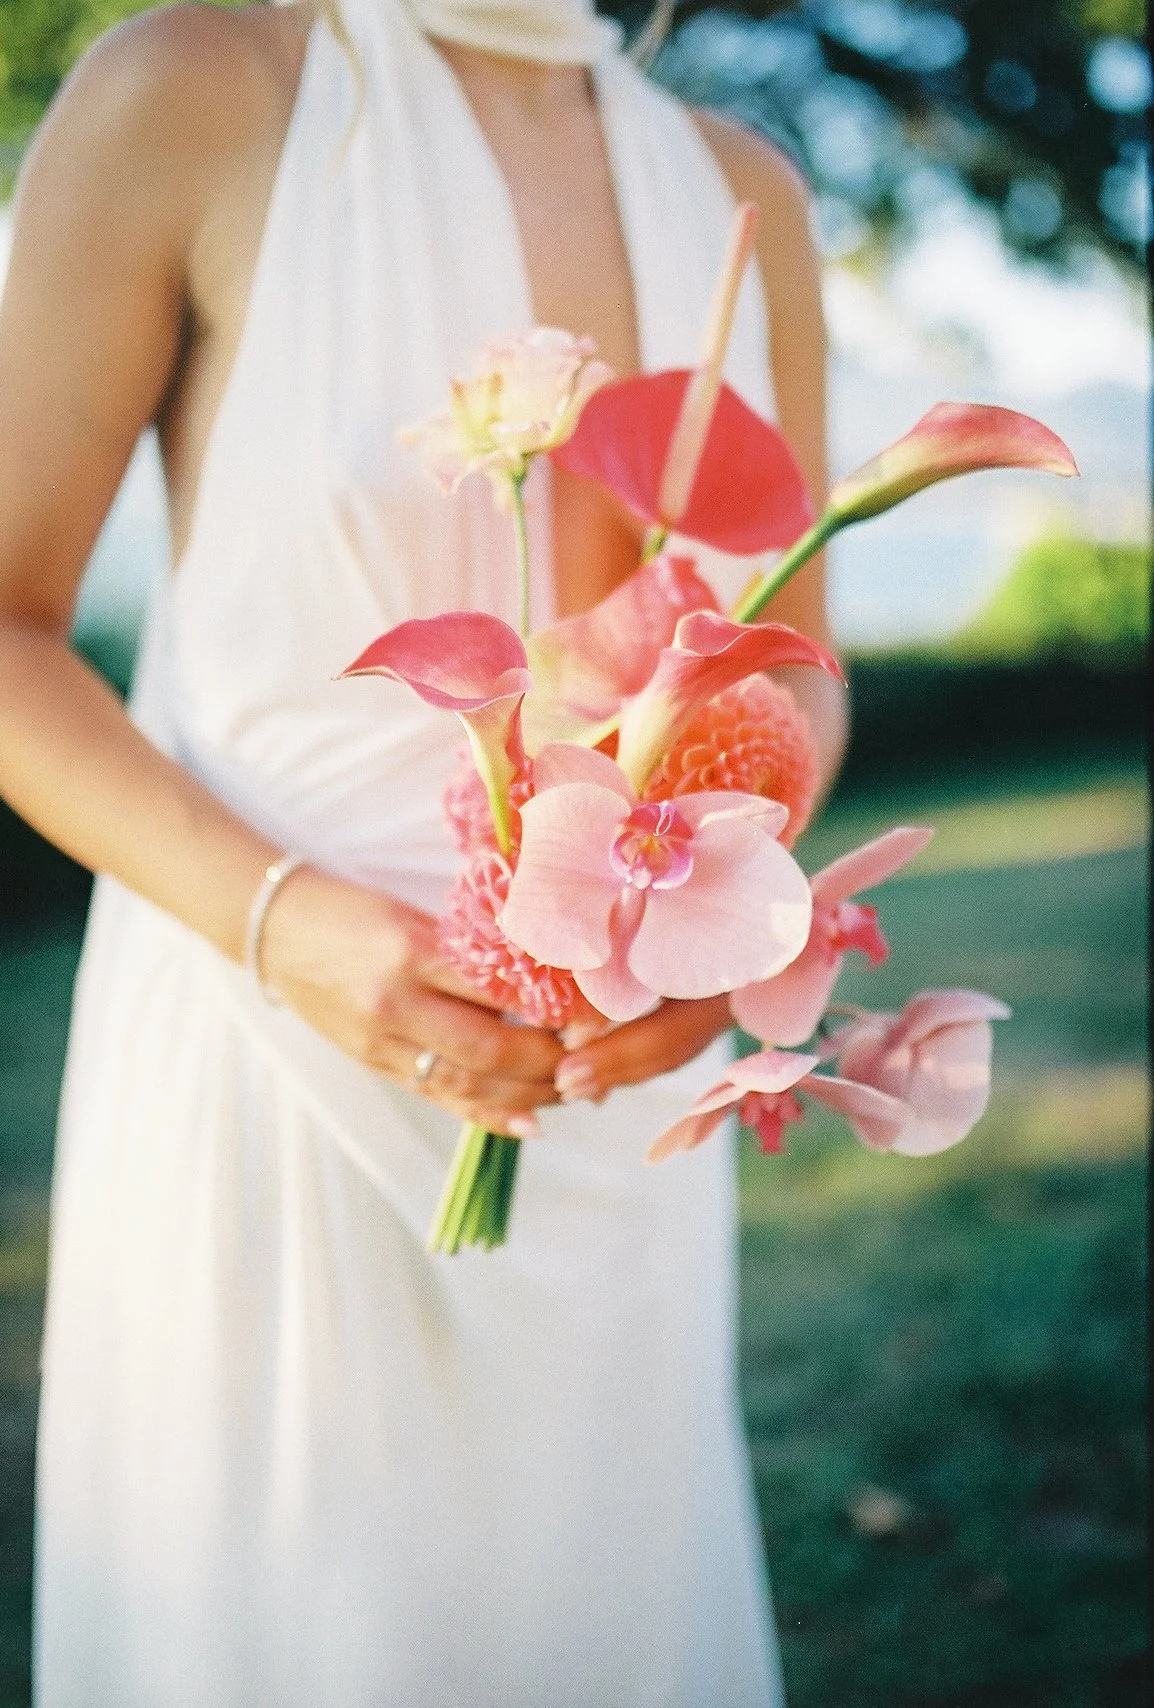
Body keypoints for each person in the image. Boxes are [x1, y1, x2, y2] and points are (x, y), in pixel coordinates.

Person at [0, 0, 848, 1697]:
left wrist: (717, 918)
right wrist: (288, 926)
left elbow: (795, 664)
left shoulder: (747, 191)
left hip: (609, 1107)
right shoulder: (197, 91)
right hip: (267, 1052)